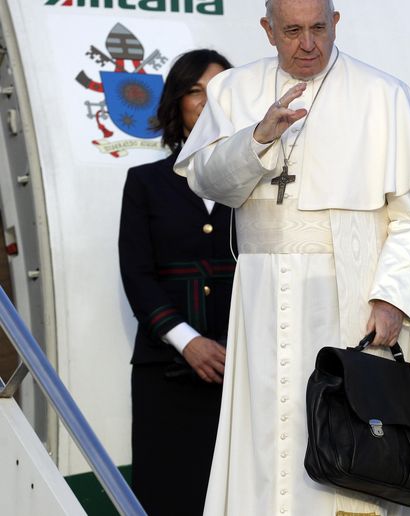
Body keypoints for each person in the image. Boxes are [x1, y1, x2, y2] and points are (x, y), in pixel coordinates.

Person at [174, 0, 410, 514]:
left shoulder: (383, 95)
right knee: (265, 438)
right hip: (260, 296)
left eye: (319, 29)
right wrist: (259, 137)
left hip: (347, 298)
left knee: (346, 443)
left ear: (336, 23)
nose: (309, 44)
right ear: (267, 31)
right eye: (293, 31)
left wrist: (391, 299)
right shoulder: (232, 90)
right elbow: (208, 182)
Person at [118, 49, 235, 516]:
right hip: (165, 371)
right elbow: (137, 275)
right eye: (195, 91)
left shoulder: (259, 185)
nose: (207, 102)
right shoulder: (145, 182)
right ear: (177, 102)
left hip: (240, 369)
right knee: (170, 494)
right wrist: (187, 341)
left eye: (220, 91)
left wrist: (237, 347)